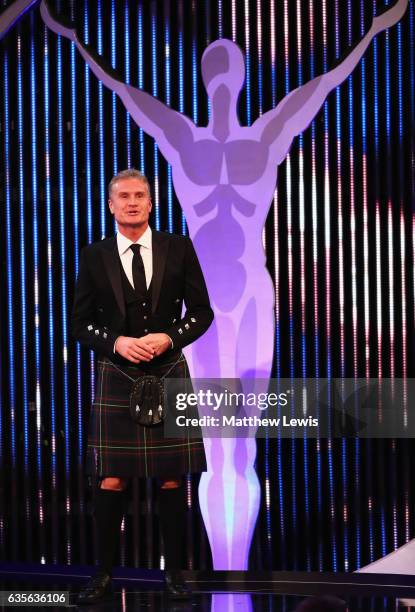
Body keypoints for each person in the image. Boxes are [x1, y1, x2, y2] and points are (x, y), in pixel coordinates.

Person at [71, 168, 214, 604]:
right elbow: (79, 323)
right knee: (111, 478)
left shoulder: (178, 247)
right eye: (124, 196)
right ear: (111, 206)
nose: (132, 202)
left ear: (150, 204)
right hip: (118, 374)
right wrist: (116, 342)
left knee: (172, 480)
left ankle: (174, 576)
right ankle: (102, 576)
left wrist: (170, 336)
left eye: (140, 195)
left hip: (169, 370)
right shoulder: (95, 256)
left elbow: (203, 312)